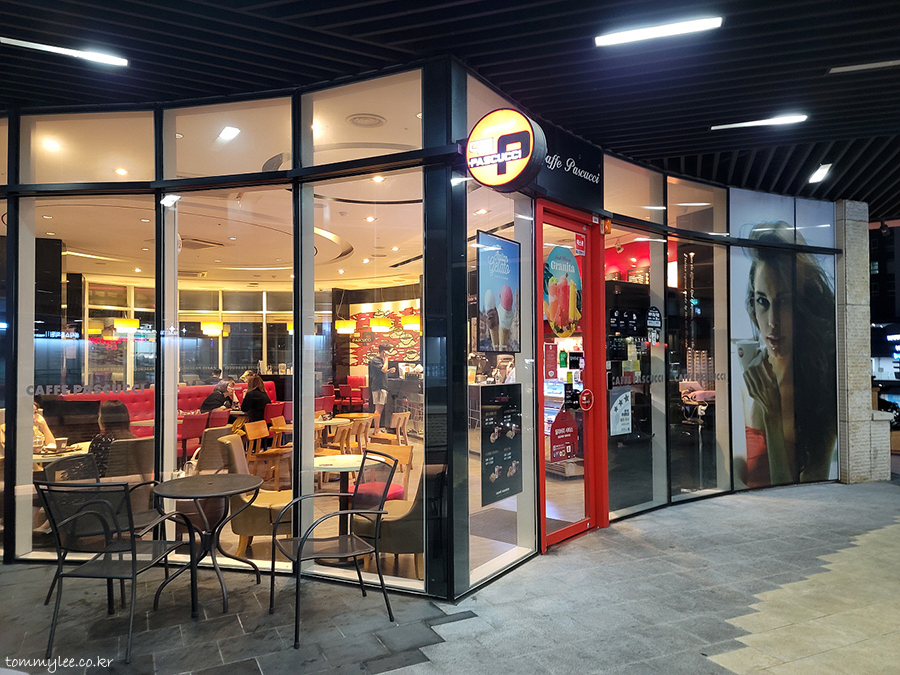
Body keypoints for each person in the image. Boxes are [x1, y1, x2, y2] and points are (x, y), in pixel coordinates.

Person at [740, 221, 837, 487]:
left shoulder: (822, 389)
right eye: (762, 301)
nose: (772, 322)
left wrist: (772, 416)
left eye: (784, 302)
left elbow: (808, 490)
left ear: (802, 305)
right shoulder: (747, 378)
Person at [88, 400, 135, 477]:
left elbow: (91, 468)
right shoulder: (134, 440)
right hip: (133, 482)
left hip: (106, 482)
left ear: (104, 420)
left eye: (99, 416)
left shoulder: (100, 441)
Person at [368, 343, 395, 431]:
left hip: (381, 386)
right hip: (379, 386)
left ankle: (377, 429)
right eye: (388, 351)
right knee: (378, 409)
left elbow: (383, 371)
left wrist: (389, 371)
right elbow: (383, 369)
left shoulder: (380, 360)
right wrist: (386, 358)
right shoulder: (376, 360)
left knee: (380, 408)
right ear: (384, 351)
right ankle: (376, 430)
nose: (389, 353)